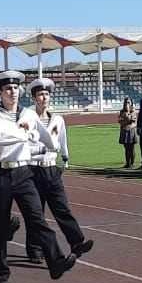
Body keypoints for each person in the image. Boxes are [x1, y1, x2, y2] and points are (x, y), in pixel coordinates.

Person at [0, 71, 74, 283]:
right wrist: (25, 135)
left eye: (15, 89)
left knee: (37, 218)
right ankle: (1, 274)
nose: (12, 93)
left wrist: (55, 147)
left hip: (23, 172)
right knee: (0, 224)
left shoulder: (28, 114)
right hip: (0, 172)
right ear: (0, 92)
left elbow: (45, 136)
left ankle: (56, 261)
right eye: (7, 89)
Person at [27, 78, 93, 262]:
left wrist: (65, 157)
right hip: (32, 170)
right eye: (40, 94)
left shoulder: (57, 119)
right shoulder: (27, 119)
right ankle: (34, 249)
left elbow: (62, 139)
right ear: (33, 97)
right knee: (36, 212)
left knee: (62, 208)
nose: (44, 98)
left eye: (47, 94)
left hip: (51, 168)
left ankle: (77, 242)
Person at [117, 98, 138, 169]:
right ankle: (127, 163)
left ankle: (132, 163)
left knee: (131, 147)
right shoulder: (121, 111)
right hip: (124, 130)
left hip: (131, 131)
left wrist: (126, 119)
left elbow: (133, 121)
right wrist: (126, 121)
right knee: (126, 147)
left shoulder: (133, 111)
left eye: (129, 102)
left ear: (131, 103)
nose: (127, 104)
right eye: (126, 102)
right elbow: (120, 120)